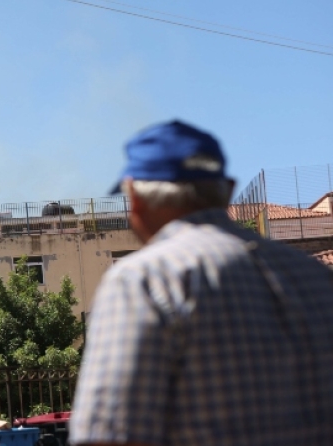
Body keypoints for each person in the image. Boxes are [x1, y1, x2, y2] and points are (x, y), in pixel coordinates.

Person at [70, 120, 333, 446]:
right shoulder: (316, 277)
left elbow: (108, 438)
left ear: (134, 197)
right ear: (228, 189)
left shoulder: (144, 280)